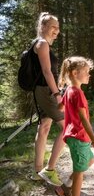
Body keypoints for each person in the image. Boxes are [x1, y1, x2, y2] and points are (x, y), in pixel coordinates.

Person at [54, 56, 94, 196]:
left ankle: (64, 188)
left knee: (89, 160)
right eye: (87, 72)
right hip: (79, 137)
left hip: (74, 136)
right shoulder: (78, 93)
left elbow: (60, 107)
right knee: (79, 171)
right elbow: (83, 119)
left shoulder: (69, 90)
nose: (89, 75)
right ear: (75, 73)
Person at [30, 12, 65, 186]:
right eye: (53, 27)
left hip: (42, 91)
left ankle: (38, 171)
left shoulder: (40, 44)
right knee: (67, 128)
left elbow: (48, 72)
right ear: (43, 27)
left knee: (44, 127)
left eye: (58, 28)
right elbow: (46, 72)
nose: (56, 31)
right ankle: (49, 170)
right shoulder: (42, 44)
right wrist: (57, 94)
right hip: (46, 92)